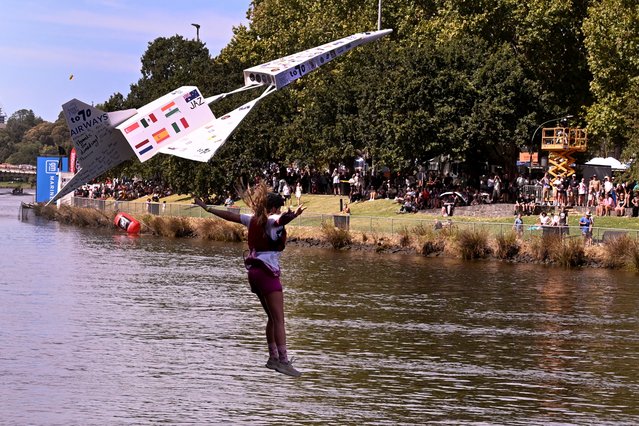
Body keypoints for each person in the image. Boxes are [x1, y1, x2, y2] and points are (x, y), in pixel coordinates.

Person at [194, 183, 306, 377]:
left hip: (254, 273)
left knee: (271, 317)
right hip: (266, 272)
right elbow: (280, 219)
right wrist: (292, 215)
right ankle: (284, 361)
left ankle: (272, 358)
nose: (278, 211)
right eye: (278, 207)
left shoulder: (251, 219)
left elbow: (229, 215)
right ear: (272, 209)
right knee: (279, 319)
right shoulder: (271, 220)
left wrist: (207, 208)